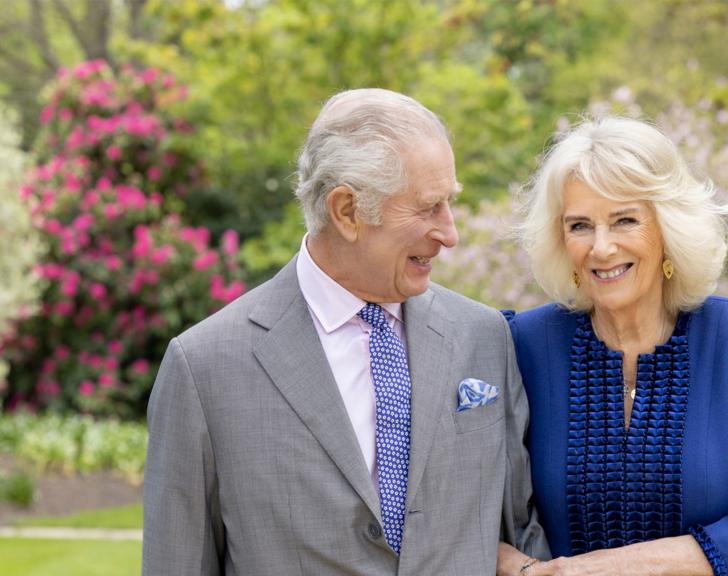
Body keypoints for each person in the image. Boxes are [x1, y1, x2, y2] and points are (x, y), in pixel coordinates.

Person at [143, 88, 548, 575]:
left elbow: (521, 529)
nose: (450, 232)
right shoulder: (204, 367)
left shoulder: (484, 337)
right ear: (347, 211)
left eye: (450, 203)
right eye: (427, 208)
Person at [497, 117, 728, 576]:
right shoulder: (520, 345)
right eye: (580, 225)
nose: (601, 248)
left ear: (668, 229)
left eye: (625, 220)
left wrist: (603, 568)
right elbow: (468, 514)